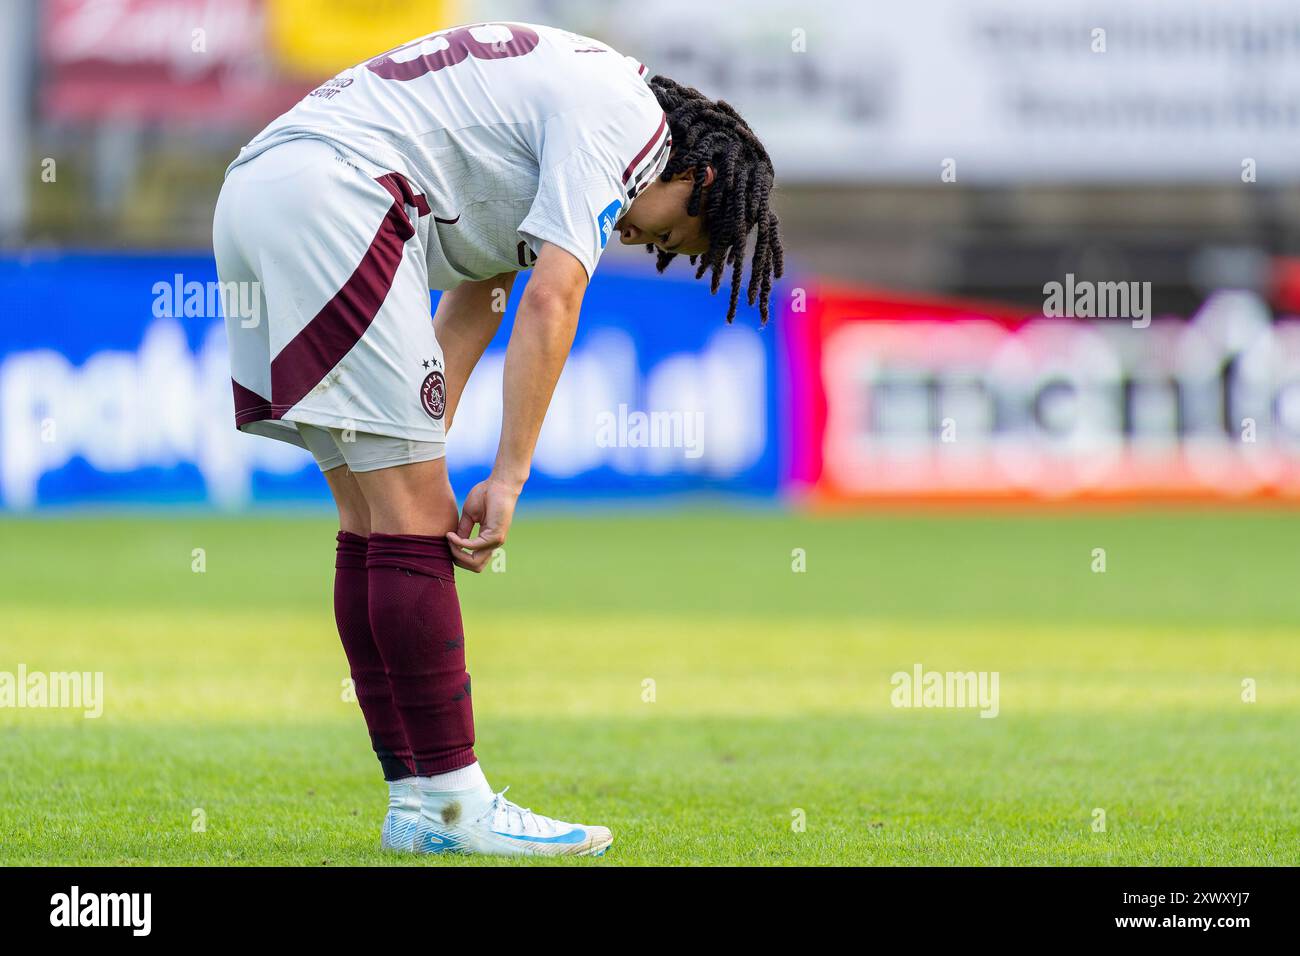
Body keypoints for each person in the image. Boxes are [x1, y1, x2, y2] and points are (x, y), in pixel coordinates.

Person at [212, 20, 783, 857]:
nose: (640, 238)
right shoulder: (632, 123)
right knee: (411, 515)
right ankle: (457, 806)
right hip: (339, 197)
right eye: (668, 233)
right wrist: (508, 478)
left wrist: (420, 431)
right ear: (698, 174)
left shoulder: (564, 106)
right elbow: (553, 300)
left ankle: (416, 804)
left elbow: (481, 294)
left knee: (376, 524)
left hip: (263, 190)